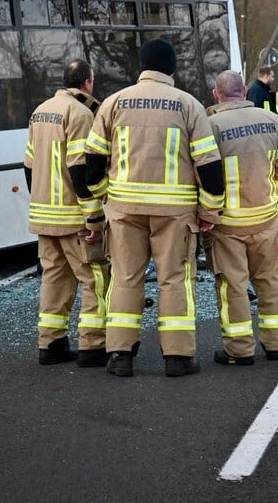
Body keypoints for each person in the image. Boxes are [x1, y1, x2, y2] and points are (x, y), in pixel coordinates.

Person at [85, 38, 224, 378]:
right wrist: (209, 210)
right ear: (172, 67)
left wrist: (107, 195)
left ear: (141, 66)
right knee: (174, 279)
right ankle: (178, 357)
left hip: (124, 208)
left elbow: (90, 162)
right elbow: (209, 167)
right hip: (175, 212)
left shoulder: (114, 103)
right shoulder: (188, 105)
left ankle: (119, 355)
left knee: (125, 278)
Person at [206, 70, 278, 364]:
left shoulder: (211, 125)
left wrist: (206, 212)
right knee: (270, 280)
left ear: (216, 94)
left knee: (233, 285)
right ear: (245, 91)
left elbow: (203, 174)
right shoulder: (272, 120)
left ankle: (239, 350)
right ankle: (275, 344)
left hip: (228, 224)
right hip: (266, 218)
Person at [24, 59, 110, 367]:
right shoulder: (81, 114)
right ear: (87, 83)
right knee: (95, 278)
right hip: (72, 217)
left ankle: (51, 343)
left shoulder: (40, 111)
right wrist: (94, 218)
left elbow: (29, 165)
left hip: (44, 215)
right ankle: (93, 346)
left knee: (54, 278)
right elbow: (79, 170)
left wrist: (38, 203)